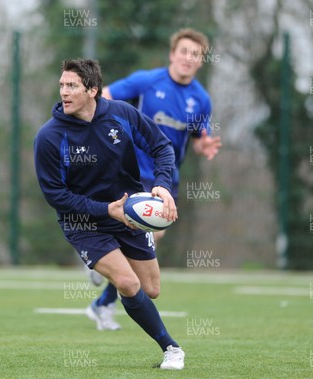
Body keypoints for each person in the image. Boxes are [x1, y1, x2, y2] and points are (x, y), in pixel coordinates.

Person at [34, 58, 184, 370]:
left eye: (72, 85)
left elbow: (162, 147)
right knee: (128, 284)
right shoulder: (49, 137)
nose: (64, 91)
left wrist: (162, 186)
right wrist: (105, 210)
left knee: (151, 289)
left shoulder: (122, 115)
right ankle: (171, 348)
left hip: (128, 214)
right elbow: (55, 196)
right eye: (62, 85)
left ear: (92, 90)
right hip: (84, 222)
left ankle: (109, 262)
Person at [87, 28, 222, 330]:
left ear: (201, 61)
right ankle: (102, 283)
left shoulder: (201, 100)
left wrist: (205, 145)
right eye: (184, 51)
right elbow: (105, 95)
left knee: (149, 241)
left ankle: (102, 281)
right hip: (130, 172)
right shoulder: (147, 81)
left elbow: (199, 139)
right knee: (142, 239)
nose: (189, 58)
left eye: (195, 54)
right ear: (173, 54)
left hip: (165, 178)